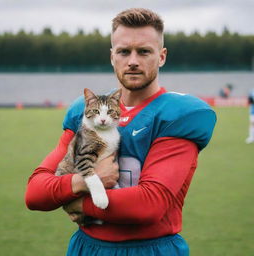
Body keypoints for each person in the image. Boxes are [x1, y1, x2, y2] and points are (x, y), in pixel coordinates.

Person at [25, 8, 216, 256]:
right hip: (87, 247)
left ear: (162, 56)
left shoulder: (177, 114)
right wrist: (82, 182)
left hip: (150, 249)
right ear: (112, 56)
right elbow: (35, 192)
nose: (133, 61)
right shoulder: (85, 113)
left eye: (144, 51)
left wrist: (77, 201)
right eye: (124, 51)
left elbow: (149, 205)